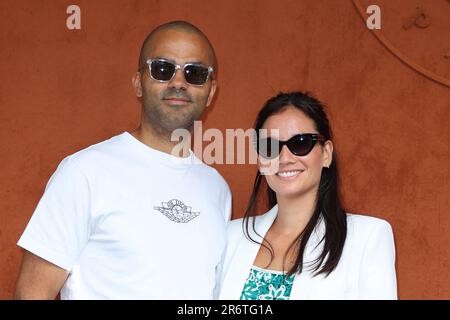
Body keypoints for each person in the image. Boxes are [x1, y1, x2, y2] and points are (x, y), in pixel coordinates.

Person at [15, 21, 232, 299]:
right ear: (139, 83)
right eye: (162, 69)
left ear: (210, 92)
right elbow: (32, 292)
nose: (179, 82)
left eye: (195, 73)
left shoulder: (217, 189)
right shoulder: (84, 173)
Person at [218, 92, 397, 300]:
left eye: (300, 143)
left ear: (326, 154)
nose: (285, 158)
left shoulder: (367, 237)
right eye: (270, 146)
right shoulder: (231, 236)